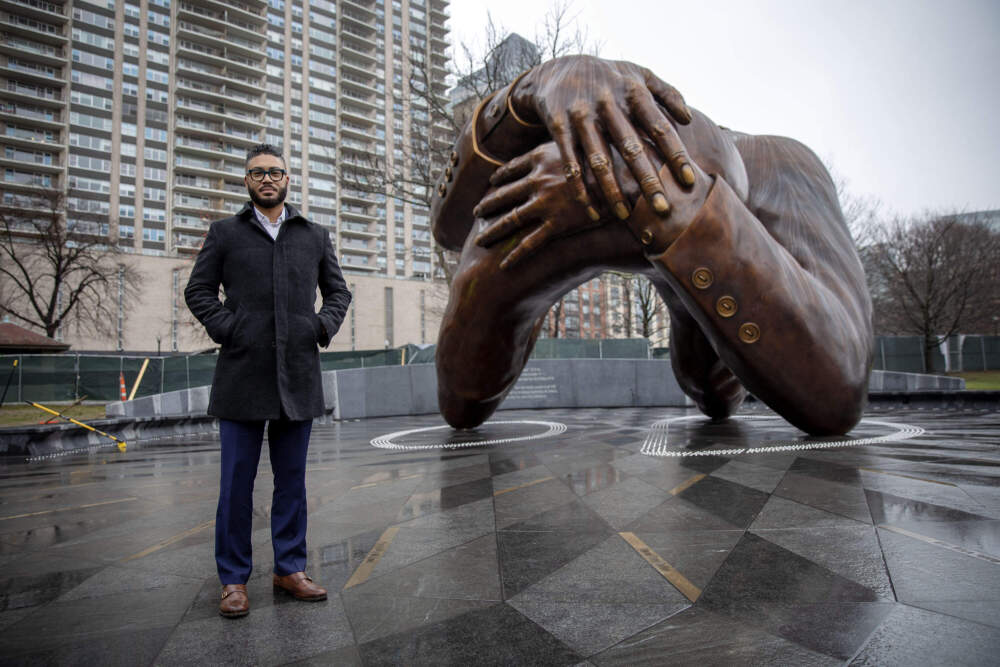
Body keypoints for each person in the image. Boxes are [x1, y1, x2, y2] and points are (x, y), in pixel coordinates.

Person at [431, 56, 872, 436]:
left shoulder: (775, 160)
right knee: (706, 382)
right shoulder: (555, 132)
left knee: (707, 382)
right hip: (677, 243)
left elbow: (839, 387)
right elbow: (447, 227)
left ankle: (684, 282)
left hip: (723, 224)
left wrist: (652, 193)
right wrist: (528, 91)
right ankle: (683, 282)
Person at [185, 144, 352, 618]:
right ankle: (233, 579)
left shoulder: (314, 235)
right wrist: (227, 327)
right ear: (246, 181)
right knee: (236, 485)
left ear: (287, 179)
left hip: (297, 375)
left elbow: (338, 292)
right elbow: (198, 290)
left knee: (292, 482)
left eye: (274, 172)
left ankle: (290, 568)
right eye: (257, 172)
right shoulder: (224, 234)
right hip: (241, 375)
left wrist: (320, 327)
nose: (266, 179)